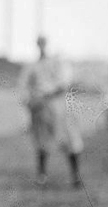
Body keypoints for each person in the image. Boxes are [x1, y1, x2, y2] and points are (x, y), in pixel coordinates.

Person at [18, 35, 83, 188]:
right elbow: (23, 88)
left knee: (70, 141)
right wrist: (30, 101)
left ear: (46, 44)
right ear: (36, 45)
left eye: (43, 43)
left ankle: (75, 176)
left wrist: (47, 94)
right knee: (41, 142)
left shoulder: (57, 62)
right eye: (39, 43)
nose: (41, 46)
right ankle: (42, 175)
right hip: (40, 109)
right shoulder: (32, 66)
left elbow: (64, 83)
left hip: (58, 107)